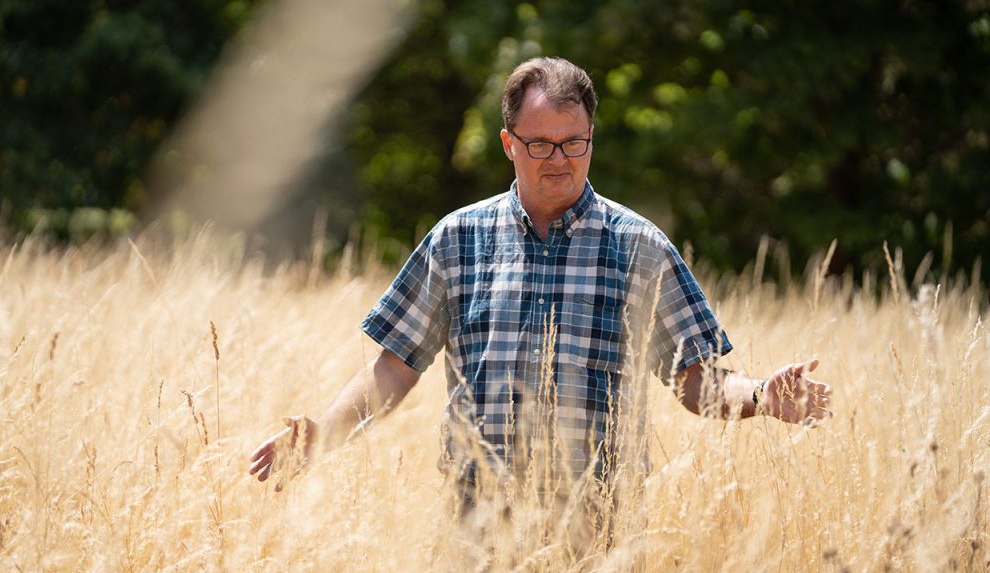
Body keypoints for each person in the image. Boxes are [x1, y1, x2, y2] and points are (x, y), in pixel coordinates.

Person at [249, 57, 832, 506]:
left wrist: (758, 396)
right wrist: (319, 436)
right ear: (508, 145)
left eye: (574, 142)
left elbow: (695, 380)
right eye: (540, 144)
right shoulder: (458, 240)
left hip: (599, 524)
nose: (560, 158)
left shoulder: (640, 247)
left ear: (591, 139)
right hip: (477, 524)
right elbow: (395, 366)